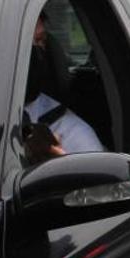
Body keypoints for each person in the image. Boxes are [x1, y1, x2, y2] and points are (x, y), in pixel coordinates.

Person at [24, 15, 103, 161]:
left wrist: (51, 168)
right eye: (23, 43)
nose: (32, 52)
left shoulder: (75, 137)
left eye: (40, 41)